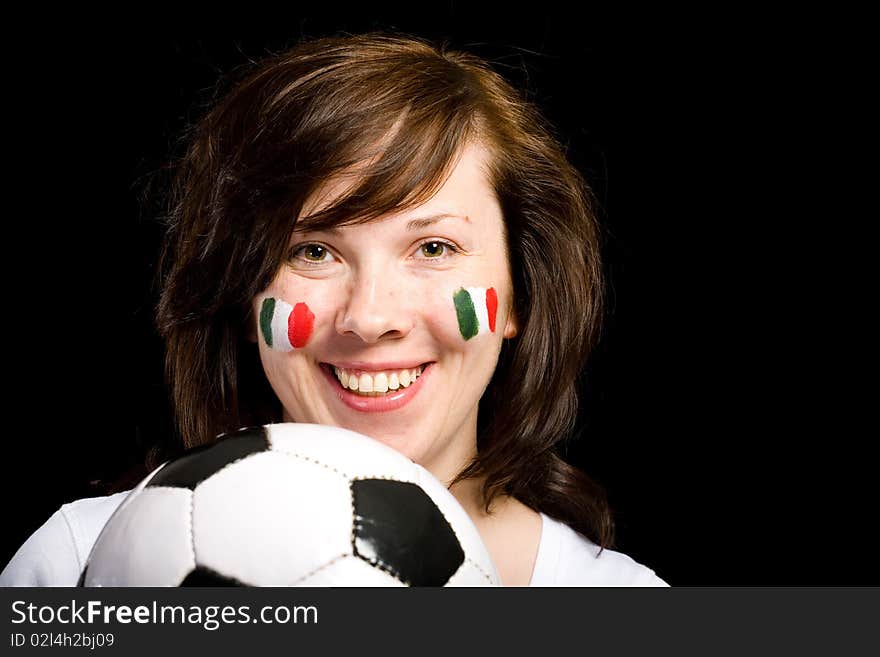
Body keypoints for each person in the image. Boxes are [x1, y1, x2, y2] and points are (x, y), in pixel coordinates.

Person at [2, 32, 667, 587]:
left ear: (518, 292)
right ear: (242, 289)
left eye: (434, 246)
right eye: (313, 251)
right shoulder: (79, 565)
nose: (370, 317)